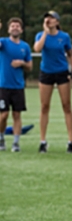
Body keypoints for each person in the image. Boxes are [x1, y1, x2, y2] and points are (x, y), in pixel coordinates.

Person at [33, 10, 72, 153]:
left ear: (57, 22)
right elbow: (37, 49)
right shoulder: (41, 35)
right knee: (44, 106)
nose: (49, 20)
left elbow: (70, 54)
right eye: (47, 18)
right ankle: (43, 141)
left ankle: (70, 141)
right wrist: (45, 33)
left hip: (61, 72)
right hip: (46, 73)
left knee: (66, 105)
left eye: (52, 18)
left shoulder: (64, 36)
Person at [0, 18, 33, 152]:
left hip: (18, 86)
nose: (15, 28)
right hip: (3, 85)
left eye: (17, 26)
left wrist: (22, 63)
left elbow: (30, 66)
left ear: (21, 30)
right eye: (12, 26)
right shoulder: (3, 43)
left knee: (17, 115)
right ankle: (1, 139)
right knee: (4, 115)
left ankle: (16, 143)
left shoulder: (25, 47)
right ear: (8, 29)